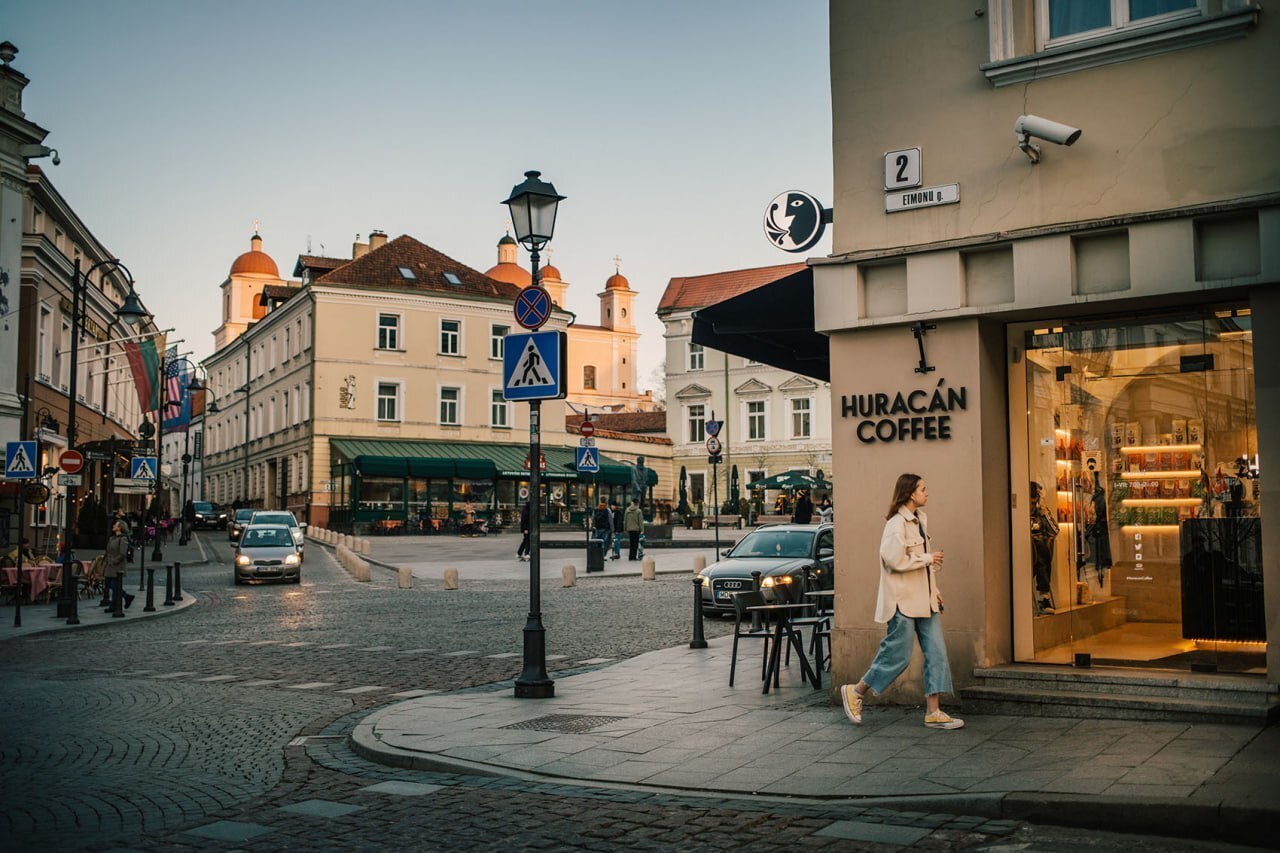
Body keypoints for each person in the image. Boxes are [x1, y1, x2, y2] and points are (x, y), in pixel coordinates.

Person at [840, 474, 962, 730]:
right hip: (903, 602)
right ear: (910, 493)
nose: (927, 493)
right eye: (923, 489)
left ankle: (934, 711)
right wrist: (927, 558)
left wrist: (935, 591)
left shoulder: (921, 520)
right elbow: (894, 561)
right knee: (897, 655)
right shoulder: (896, 525)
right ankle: (856, 690)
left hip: (924, 600)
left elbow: (922, 566)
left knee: (937, 654)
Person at [103, 521, 135, 612]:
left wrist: (114, 561)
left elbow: (122, 554)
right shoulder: (112, 538)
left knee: (115, 585)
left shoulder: (123, 539)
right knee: (111, 585)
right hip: (109, 566)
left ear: (120, 528)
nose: (113, 525)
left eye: (115, 525)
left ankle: (114, 606)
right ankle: (126, 596)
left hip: (118, 566)